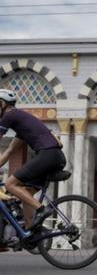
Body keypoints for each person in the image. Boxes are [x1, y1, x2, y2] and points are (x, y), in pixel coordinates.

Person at [0, 89, 66, 231]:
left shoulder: (9, 115)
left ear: (2, 103)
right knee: (26, 193)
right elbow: (9, 151)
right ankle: (31, 232)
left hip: (47, 155)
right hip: (56, 156)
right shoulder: (21, 123)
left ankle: (42, 209)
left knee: (10, 184)